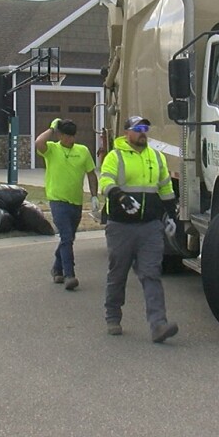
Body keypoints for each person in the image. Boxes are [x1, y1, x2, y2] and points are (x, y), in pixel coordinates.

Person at [99, 115, 179, 343]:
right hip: (121, 227)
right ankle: (113, 316)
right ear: (127, 133)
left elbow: (165, 187)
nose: (143, 132)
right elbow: (105, 182)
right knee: (118, 273)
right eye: (138, 128)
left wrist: (170, 215)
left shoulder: (156, 157)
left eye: (145, 128)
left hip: (150, 227)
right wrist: (121, 197)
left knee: (151, 274)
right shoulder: (115, 157)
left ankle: (158, 326)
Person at [35, 117, 100, 291]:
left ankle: (56, 268)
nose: (70, 139)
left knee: (69, 238)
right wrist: (51, 128)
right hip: (57, 200)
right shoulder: (52, 150)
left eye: (72, 136)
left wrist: (94, 196)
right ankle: (69, 275)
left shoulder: (83, 151)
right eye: (66, 136)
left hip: (76, 201)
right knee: (66, 237)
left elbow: (91, 174)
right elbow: (39, 142)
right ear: (60, 135)